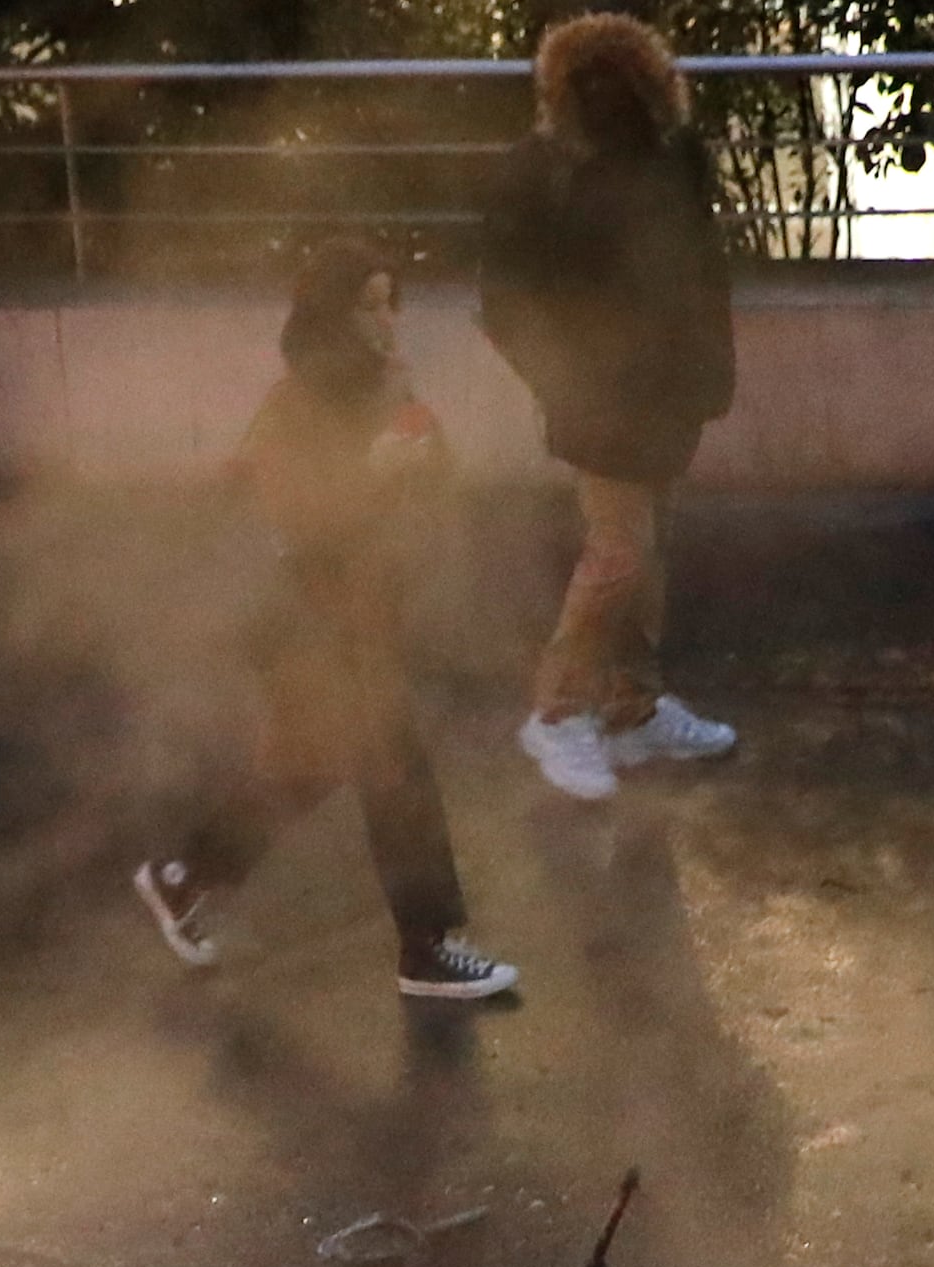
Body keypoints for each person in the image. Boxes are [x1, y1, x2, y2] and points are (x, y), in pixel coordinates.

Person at [130, 245, 519, 1003]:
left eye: (391, 302)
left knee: (307, 768)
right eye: (370, 304)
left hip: (369, 611)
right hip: (318, 621)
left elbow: (433, 475)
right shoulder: (294, 404)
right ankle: (427, 947)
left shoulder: (391, 382)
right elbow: (293, 514)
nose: (387, 319)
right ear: (334, 316)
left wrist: (422, 462)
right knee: (394, 772)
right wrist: (370, 475)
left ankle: (183, 877)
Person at [479, 10, 739, 804]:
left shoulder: (666, 157)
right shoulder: (555, 167)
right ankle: (558, 711)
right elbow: (506, 301)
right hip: (608, 398)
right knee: (620, 554)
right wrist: (566, 382)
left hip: (664, 394)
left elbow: (699, 269)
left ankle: (630, 708)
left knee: (638, 554)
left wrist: (707, 372)